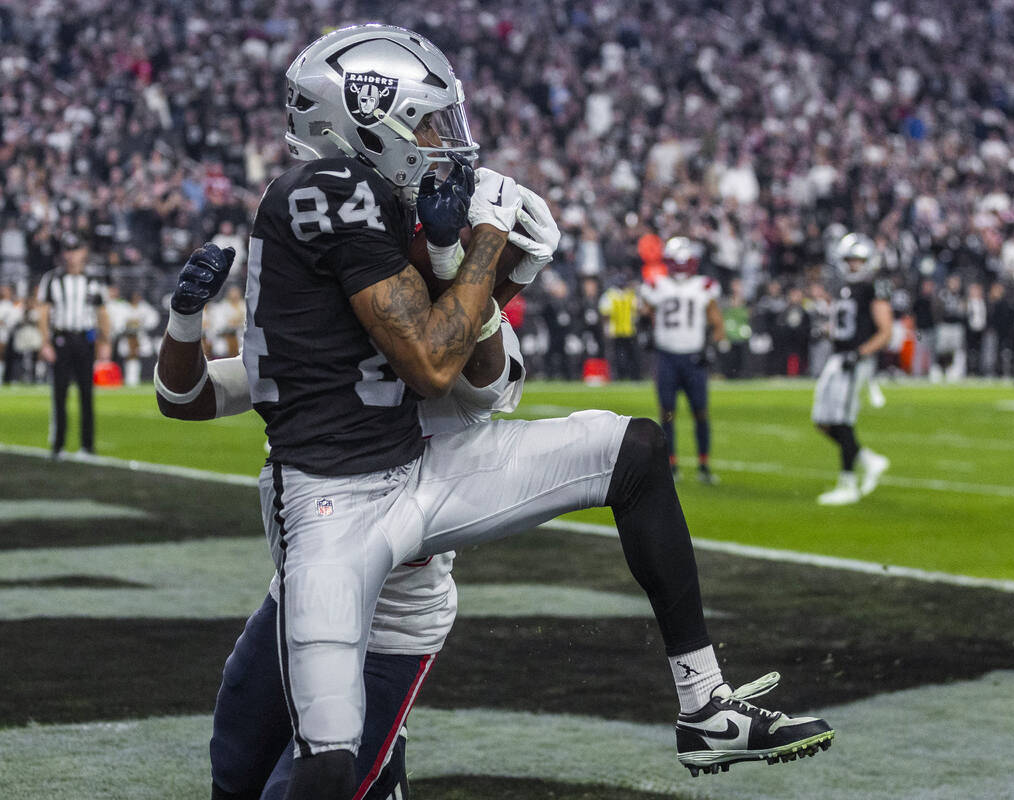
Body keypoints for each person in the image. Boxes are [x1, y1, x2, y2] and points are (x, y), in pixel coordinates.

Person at [158, 25, 831, 800]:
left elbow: (463, 371)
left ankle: (705, 703)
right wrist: (476, 245)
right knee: (259, 767)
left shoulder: (456, 299)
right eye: (429, 123)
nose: (447, 146)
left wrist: (466, 264)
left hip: (415, 520)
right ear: (369, 115)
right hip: (336, 510)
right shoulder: (342, 211)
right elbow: (396, 356)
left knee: (637, 452)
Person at [157, 210, 541, 798]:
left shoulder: (477, 344)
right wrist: (186, 316)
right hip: (297, 596)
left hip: (392, 620)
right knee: (235, 769)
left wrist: (463, 272)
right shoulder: (334, 337)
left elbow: (480, 376)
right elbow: (187, 397)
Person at [811, 232, 893, 506]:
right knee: (822, 420)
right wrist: (826, 332)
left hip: (855, 361)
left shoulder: (875, 287)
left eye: (858, 260)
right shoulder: (842, 286)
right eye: (849, 259)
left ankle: (848, 483)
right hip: (838, 357)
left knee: (843, 420)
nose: (853, 265)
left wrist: (860, 353)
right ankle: (868, 459)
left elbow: (885, 331)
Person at [639, 236, 725, 484]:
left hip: (693, 358)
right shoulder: (658, 285)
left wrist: (711, 347)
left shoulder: (702, 286)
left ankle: (704, 464)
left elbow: (716, 323)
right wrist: (644, 327)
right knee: (667, 413)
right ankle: (671, 464)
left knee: (700, 412)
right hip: (667, 356)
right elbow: (643, 315)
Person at [35, 231, 110, 457]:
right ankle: (58, 446)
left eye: (75, 250)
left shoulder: (93, 281)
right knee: (59, 394)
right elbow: (43, 313)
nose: (71, 256)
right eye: (67, 251)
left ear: (83, 252)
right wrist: (45, 343)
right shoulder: (52, 279)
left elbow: (102, 312)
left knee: (87, 395)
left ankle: (87, 446)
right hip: (61, 340)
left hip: (85, 341)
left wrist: (105, 341)